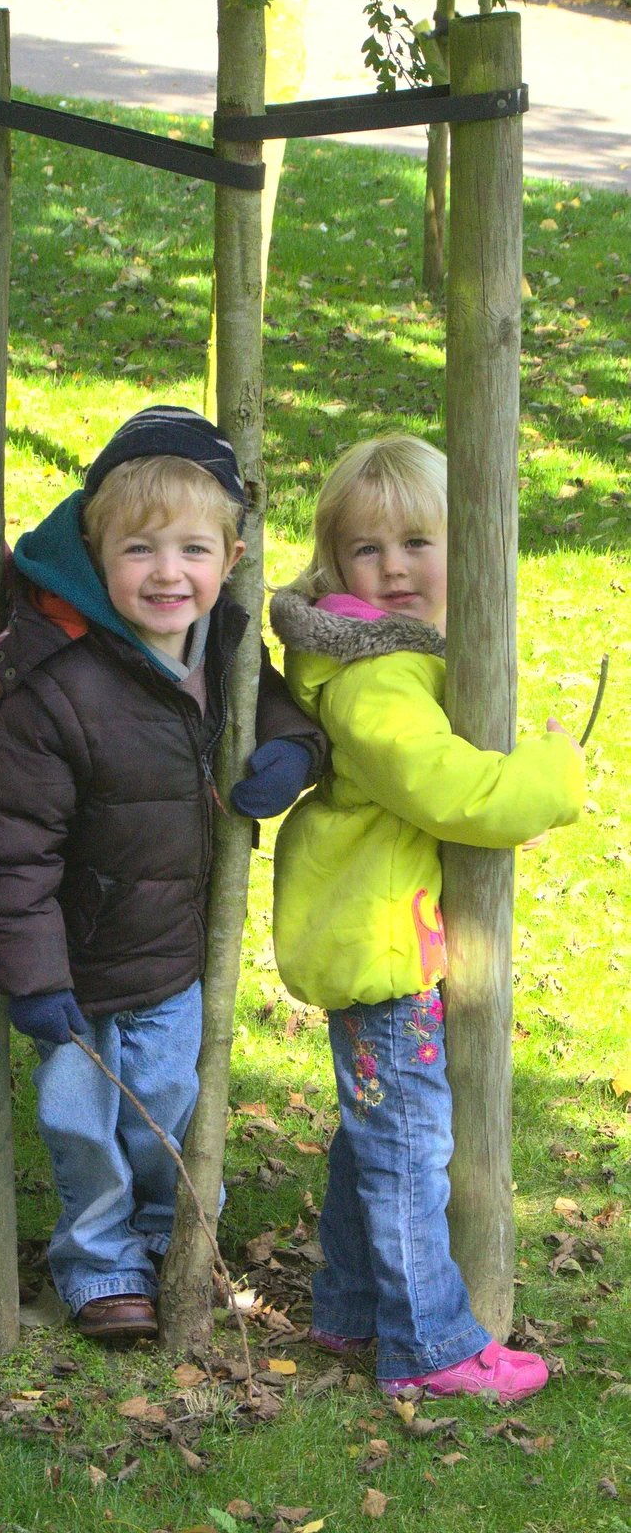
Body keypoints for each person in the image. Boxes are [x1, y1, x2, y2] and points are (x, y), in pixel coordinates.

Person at [0, 406, 325, 1341]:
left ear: (231, 556)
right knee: (83, 1130)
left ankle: (171, 1245)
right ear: (95, 551)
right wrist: (34, 979)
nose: (168, 573)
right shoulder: (64, 685)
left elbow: (279, 714)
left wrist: (291, 755)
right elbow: (7, 841)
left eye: (193, 549)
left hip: (173, 957)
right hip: (76, 965)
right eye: (139, 550)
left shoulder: (233, 654)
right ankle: (97, 1265)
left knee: (170, 1105)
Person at [268, 433, 584, 1400]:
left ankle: (349, 1306)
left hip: (375, 927)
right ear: (333, 558)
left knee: (379, 1130)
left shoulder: (395, 656)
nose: (395, 565)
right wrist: (549, 776)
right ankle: (431, 1344)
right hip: (379, 945)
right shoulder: (377, 676)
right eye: (367, 549)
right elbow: (443, 788)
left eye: (417, 541)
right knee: (408, 1147)